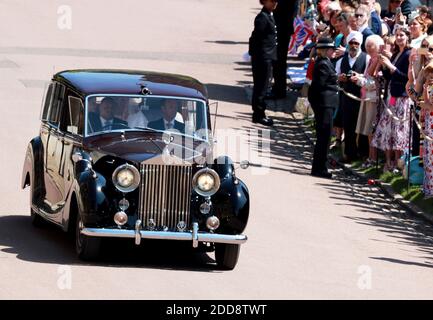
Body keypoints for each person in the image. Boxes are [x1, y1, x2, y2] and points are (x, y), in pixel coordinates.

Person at [372, 27, 411, 172]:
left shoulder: (408, 53)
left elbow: (406, 77)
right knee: (388, 129)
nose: (399, 38)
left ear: (407, 37)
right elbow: (390, 76)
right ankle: (388, 163)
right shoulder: (395, 53)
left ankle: (399, 164)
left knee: (399, 131)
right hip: (391, 95)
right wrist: (384, 66)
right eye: (397, 35)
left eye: (402, 35)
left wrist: (390, 66)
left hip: (402, 96)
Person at [336, 31, 370, 163]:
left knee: (361, 125)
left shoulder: (366, 59)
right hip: (345, 97)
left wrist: (359, 78)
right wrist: (340, 78)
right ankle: (349, 153)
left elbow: (368, 77)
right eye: (351, 43)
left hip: (361, 97)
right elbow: (336, 75)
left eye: (356, 43)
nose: (354, 45)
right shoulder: (341, 61)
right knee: (348, 125)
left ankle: (362, 153)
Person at [308, 37, 339, 179]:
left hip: (326, 103)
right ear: (326, 50)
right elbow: (319, 87)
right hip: (324, 104)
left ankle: (319, 166)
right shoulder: (323, 64)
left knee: (324, 137)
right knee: (324, 137)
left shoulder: (325, 63)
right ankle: (320, 167)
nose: (334, 51)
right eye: (332, 49)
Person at [354, 34, 384, 167]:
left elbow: (374, 83)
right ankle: (371, 157)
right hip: (367, 97)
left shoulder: (379, 60)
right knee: (367, 131)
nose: (369, 48)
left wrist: (359, 80)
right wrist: (360, 77)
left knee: (372, 130)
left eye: (371, 45)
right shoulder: (371, 60)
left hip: (374, 99)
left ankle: (374, 158)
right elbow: (368, 77)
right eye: (367, 46)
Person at [248, 0, 279, 126]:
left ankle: (259, 113)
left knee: (263, 85)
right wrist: (255, 54)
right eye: (272, 1)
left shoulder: (268, 15)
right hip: (262, 57)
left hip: (266, 56)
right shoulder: (262, 18)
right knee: (261, 86)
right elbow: (256, 38)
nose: (275, 3)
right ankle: (259, 114)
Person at [271, 0, 299, 99]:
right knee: (278, 60)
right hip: (282, 23)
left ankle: (279, 90)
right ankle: (278, 87)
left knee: (279, 60)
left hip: (283, 25)